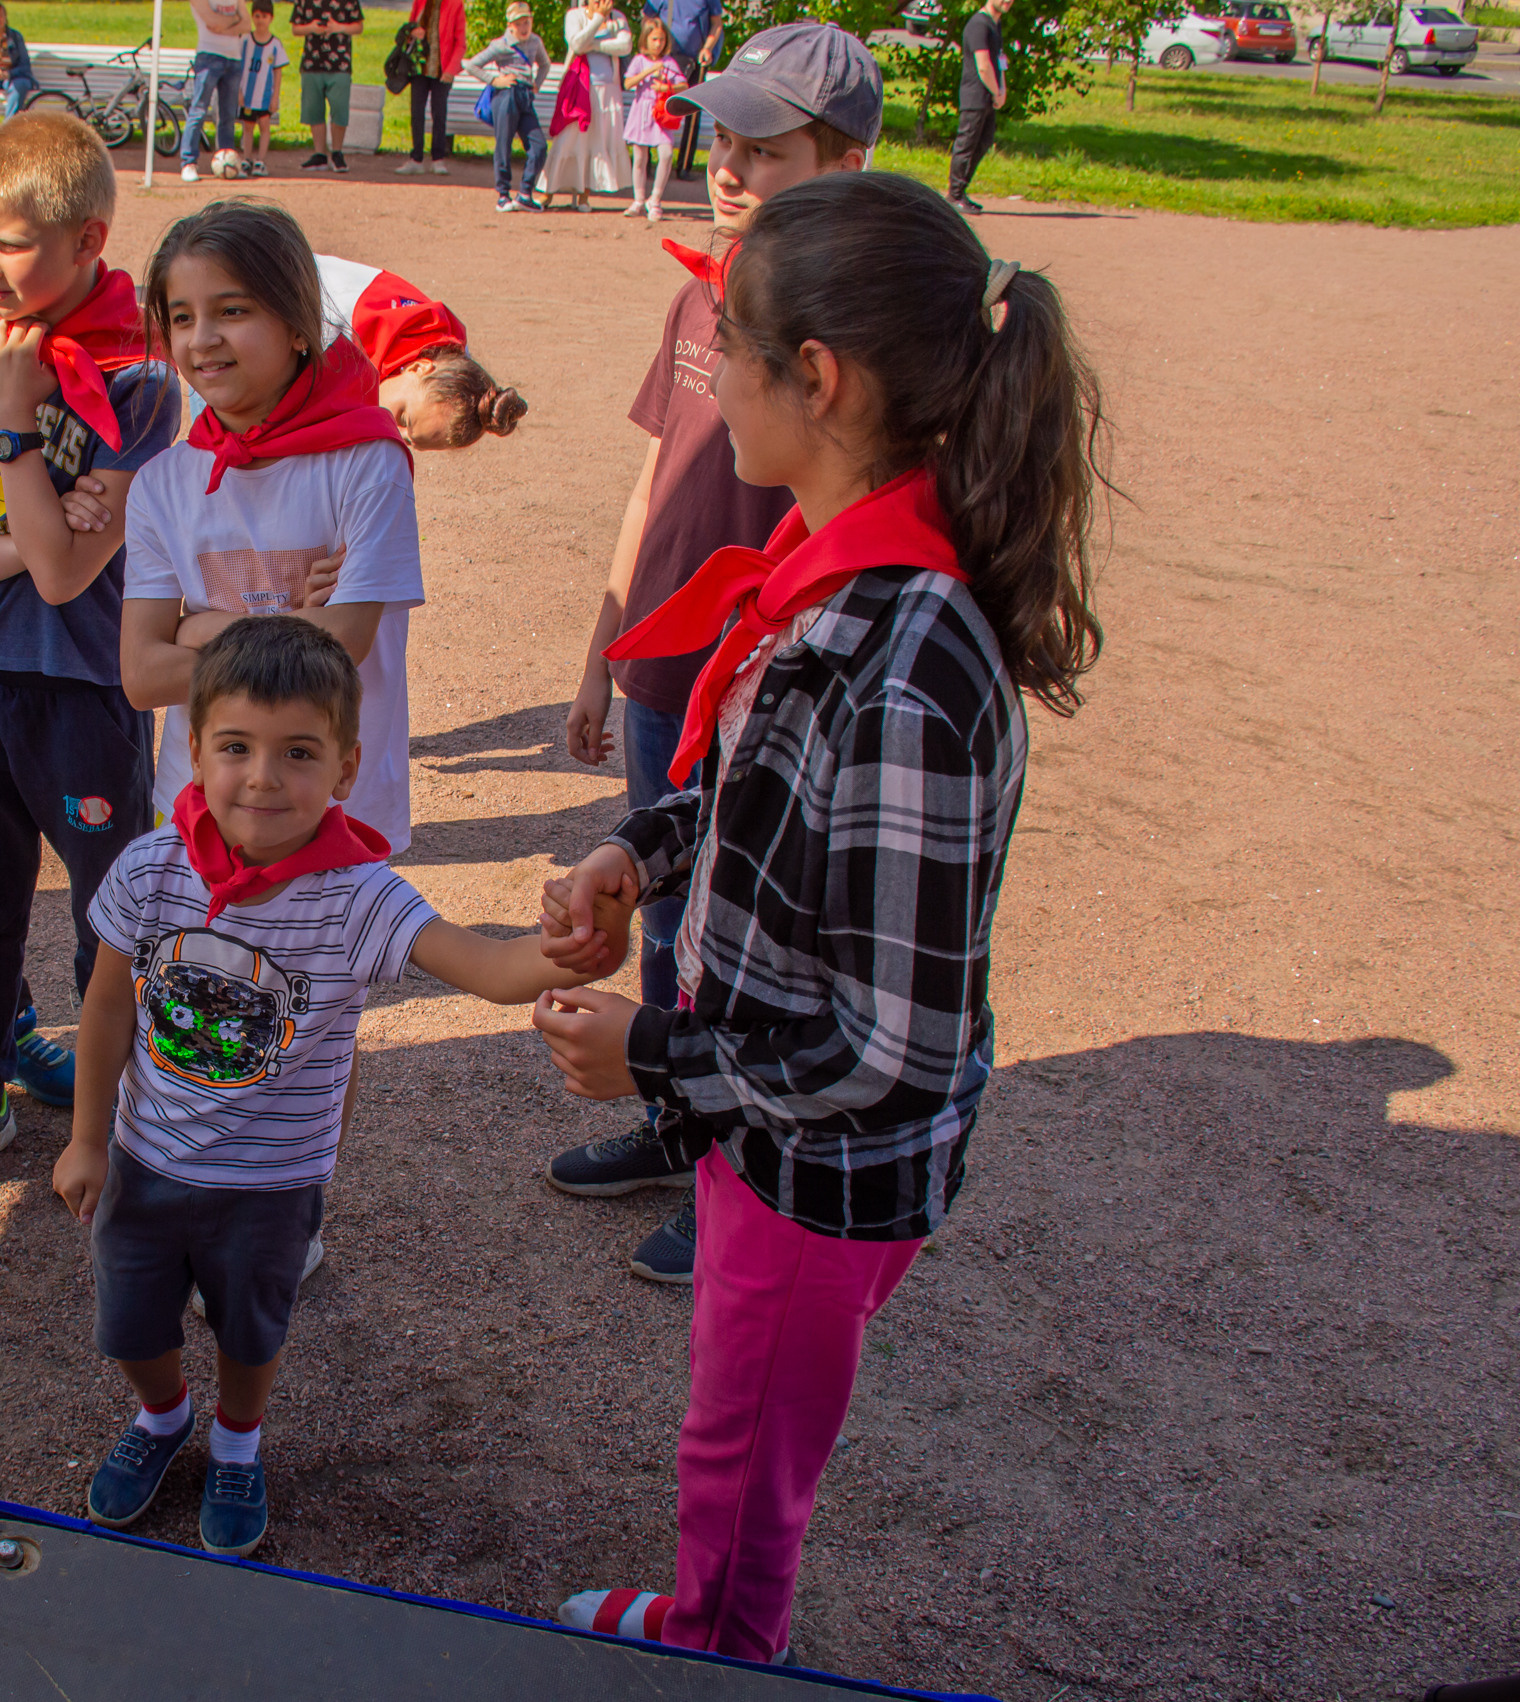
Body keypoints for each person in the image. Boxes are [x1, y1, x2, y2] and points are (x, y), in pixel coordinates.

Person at [535, 165, 1104, 1666]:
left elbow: (895, 1050)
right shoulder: (836, 571)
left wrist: (659, 1055)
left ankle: (718, 1641)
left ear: (819, 378)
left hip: (815, 1163)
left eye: (727, 342)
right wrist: (638, 855)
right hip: (767, 1121)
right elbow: (763, 799)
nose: (707, 369)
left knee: (740, 1454)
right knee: (738, 1422)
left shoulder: (905, 661)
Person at [54, 616, 633, 1558]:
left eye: (298, 753)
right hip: (142, 1159)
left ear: (347, 769)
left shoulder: (363, 895)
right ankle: (163, 1420)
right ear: (193, 750)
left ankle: (238, 1442)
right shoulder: (151, 868)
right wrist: (84, 1137)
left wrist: (573, 950)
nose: (263, 777)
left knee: (251, 1335)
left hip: (272, 1183)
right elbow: (108, 1005)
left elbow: (486, 967)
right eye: (235, 747)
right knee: (129, 1327)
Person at [548, 21, 880, 1274]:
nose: (726, 167)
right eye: (718, 140)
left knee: (744, 927)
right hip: (662, 667)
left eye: (766, 149)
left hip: (770, 672)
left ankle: (730, 1165)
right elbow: (652, 485)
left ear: (845, 165)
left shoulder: (849, 335)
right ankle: (672, 1118)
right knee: (669, 902)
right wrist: (604, 650)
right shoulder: (698, 290)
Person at [0, 111, 183, 1204]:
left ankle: (117, 1109)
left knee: (111, 906)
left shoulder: (143, 385)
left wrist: (15, 433)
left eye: (10, 243)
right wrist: (36, 526)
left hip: (85, 687)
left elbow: (68, 583)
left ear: (87, 240)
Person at [120, 201, 424, 860]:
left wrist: (198, 630)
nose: (201, 339)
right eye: (181, 317)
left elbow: (344, 641)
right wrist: (294, 622)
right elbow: (143, 675)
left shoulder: (368, 463)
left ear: (297, 324)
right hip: (195, 805)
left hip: (340, 810)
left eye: (232, 311)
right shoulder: (163, 484)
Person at [314, 252, 527, 450]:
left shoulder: (441, 347)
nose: (392, 433)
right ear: (418, 366)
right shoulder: (338, 325)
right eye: (403, 420)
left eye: (407, 441)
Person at [540, 0, 635, 210]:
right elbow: (577, 44)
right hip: (579, 88)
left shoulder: (618, 18)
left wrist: (594, 44)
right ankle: (547, 192)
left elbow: (625, 46)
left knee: (596, 142)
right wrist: (598, 20)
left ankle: (584, 195)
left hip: (608, 90)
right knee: (568, 139)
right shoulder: (575, 15)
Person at [466, 1, 552, 213]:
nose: (524, 27)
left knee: (539, 145)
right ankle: (503, 195)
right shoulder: (501, 44)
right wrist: (494, 81)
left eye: (527, 22)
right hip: (506, 95)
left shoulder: (535, 42)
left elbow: (545, 64)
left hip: (525, 96)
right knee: (503, 144)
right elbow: (471, 64)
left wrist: (536, 86)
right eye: (519, 23)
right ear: (510, 25)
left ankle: (524, 193)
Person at [949, 0, 1012, 213]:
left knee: (983, 143)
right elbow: (983, 66)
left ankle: (961, 191)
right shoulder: (978, 25)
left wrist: (1001, 89)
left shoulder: (995, 25)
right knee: (966, 145)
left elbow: (999, 60)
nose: (1007, 1)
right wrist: (996, 91)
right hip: (975, 95)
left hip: (989, 96)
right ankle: (954, 195)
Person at [621, 18, 686, 219]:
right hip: (641, 113)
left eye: (661, 40)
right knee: (639, 157)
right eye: (654, 39)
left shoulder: (669, 62)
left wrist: (667, 87)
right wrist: (649, 70)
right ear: (646, 40)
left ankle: (655, 199)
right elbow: (627, 83)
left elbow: (683, 84)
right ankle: (638, 199)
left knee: (666, 154)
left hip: (660, 113)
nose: (658, 44)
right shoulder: (639, 60)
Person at [290, 0, 363, 172]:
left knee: (339, 108)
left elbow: (359, 26)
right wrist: (311, 28)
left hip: (340, 64)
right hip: (312, 63)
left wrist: (340, 28)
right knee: (314, 109)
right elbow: (295, 28)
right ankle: (319, 154)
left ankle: (337, 152)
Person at [180, 0, 248, 183]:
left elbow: (247, 24)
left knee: (227, 114)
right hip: (209, 56)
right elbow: (212, 22)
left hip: (233, 59)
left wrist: (224, 26)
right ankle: (188, 162)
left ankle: (227, 159)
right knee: (199, 110)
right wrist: (234, 20)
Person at [394, 0, 464, 174]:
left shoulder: (455, 5)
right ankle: (416, 158)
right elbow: (409, 28)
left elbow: (460, 42)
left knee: (439, 113)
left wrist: (451, 69)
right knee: (417, 112)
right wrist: (412, 33)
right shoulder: (421, 2)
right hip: (420, 67)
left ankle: (438, 158)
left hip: (442, 68)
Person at [663, 0, 721, 176]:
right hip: (666, 58)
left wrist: (707, 48)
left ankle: (684, 166)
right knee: (659, 107)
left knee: (693, 112)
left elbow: (716, 24)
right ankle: (650, 165)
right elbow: (648, 19)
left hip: (695, 59)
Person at [235, 0, 288, 179]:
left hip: (264, 96)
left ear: (271, 18)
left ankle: (261, 160)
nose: (260, 20)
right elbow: (238, 68)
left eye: (264, 16)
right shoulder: (245, 41)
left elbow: (278, 71)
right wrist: (239, 91)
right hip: (248, 95)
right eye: (257, 16)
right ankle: (247, 158)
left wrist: (275, 97)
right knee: (247, 127)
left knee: (264, 126)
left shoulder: (275, 44)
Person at [0, 1, 36, 118]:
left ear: (5, 18)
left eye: (0, 16)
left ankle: (8, 129)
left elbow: (25, 65)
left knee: (20, 85)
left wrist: (8, 74)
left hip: (14, 76)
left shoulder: (15, 37)